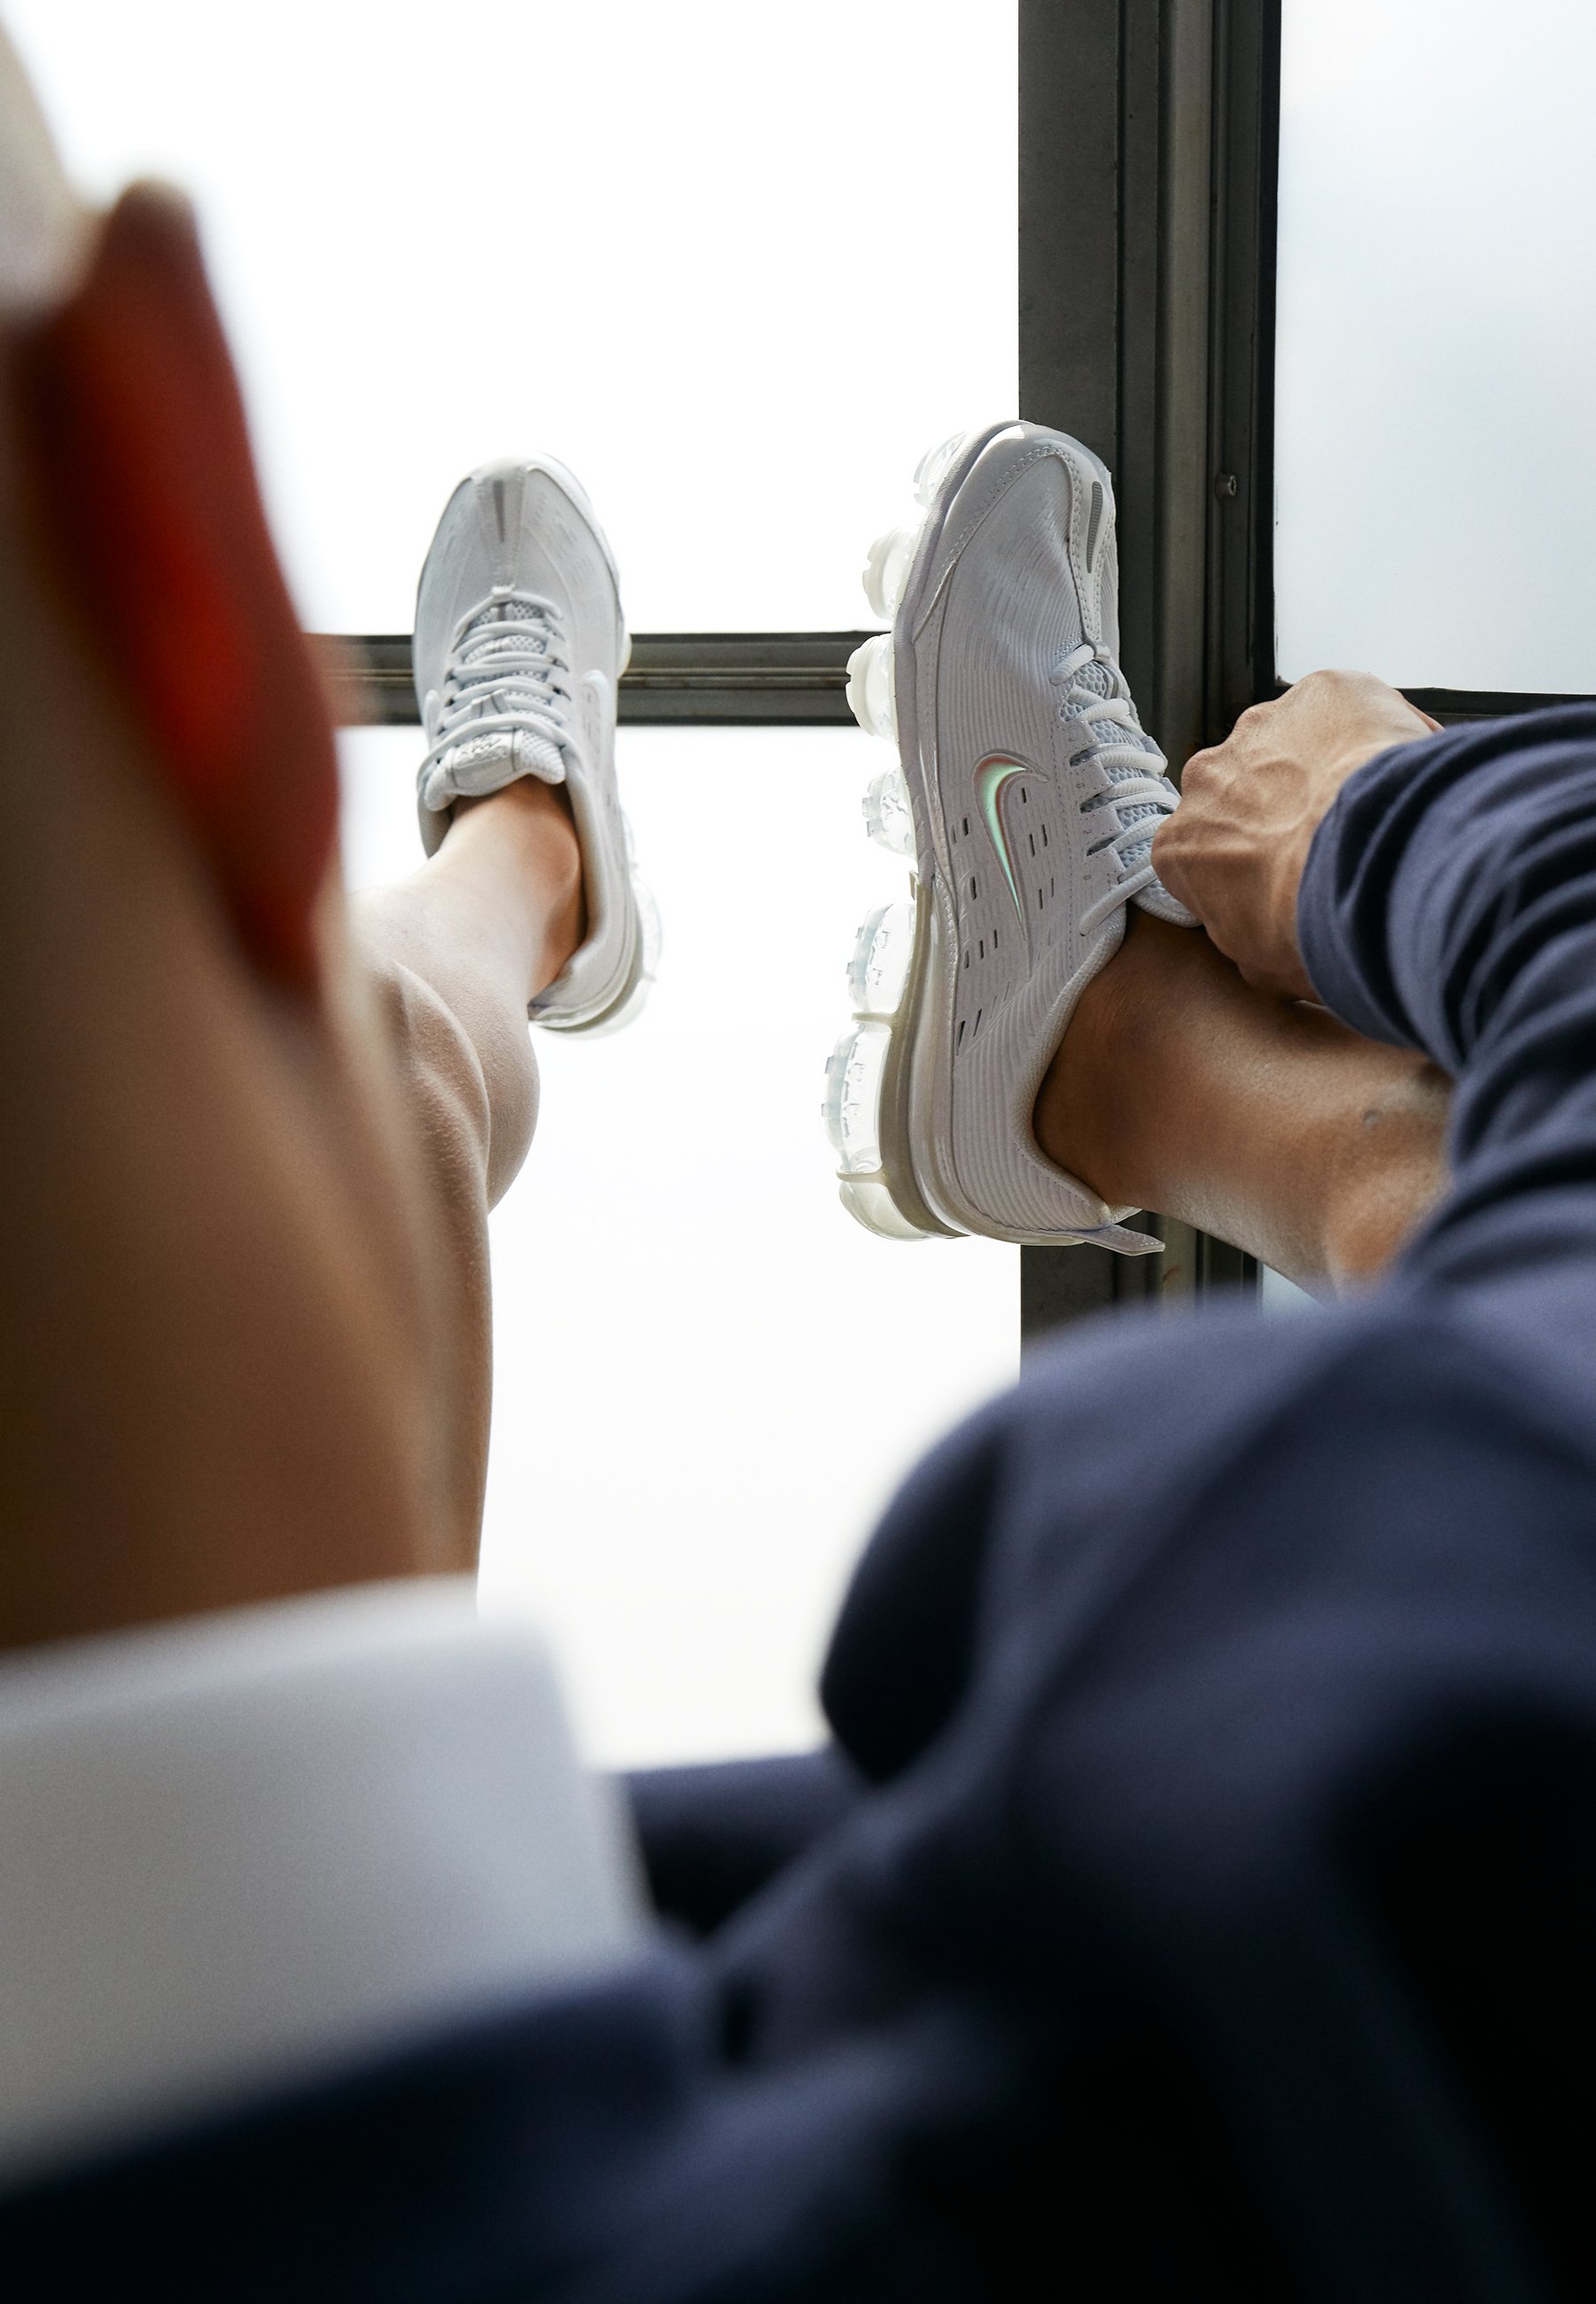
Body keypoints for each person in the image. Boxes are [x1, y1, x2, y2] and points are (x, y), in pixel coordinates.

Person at [2, 33, 1594, 2302]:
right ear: (190, 555)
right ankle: (1040, 1047)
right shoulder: (1282, 1897)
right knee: (359, 1080)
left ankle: (540, 864)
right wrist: (1373, 811)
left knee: (366, 1105)